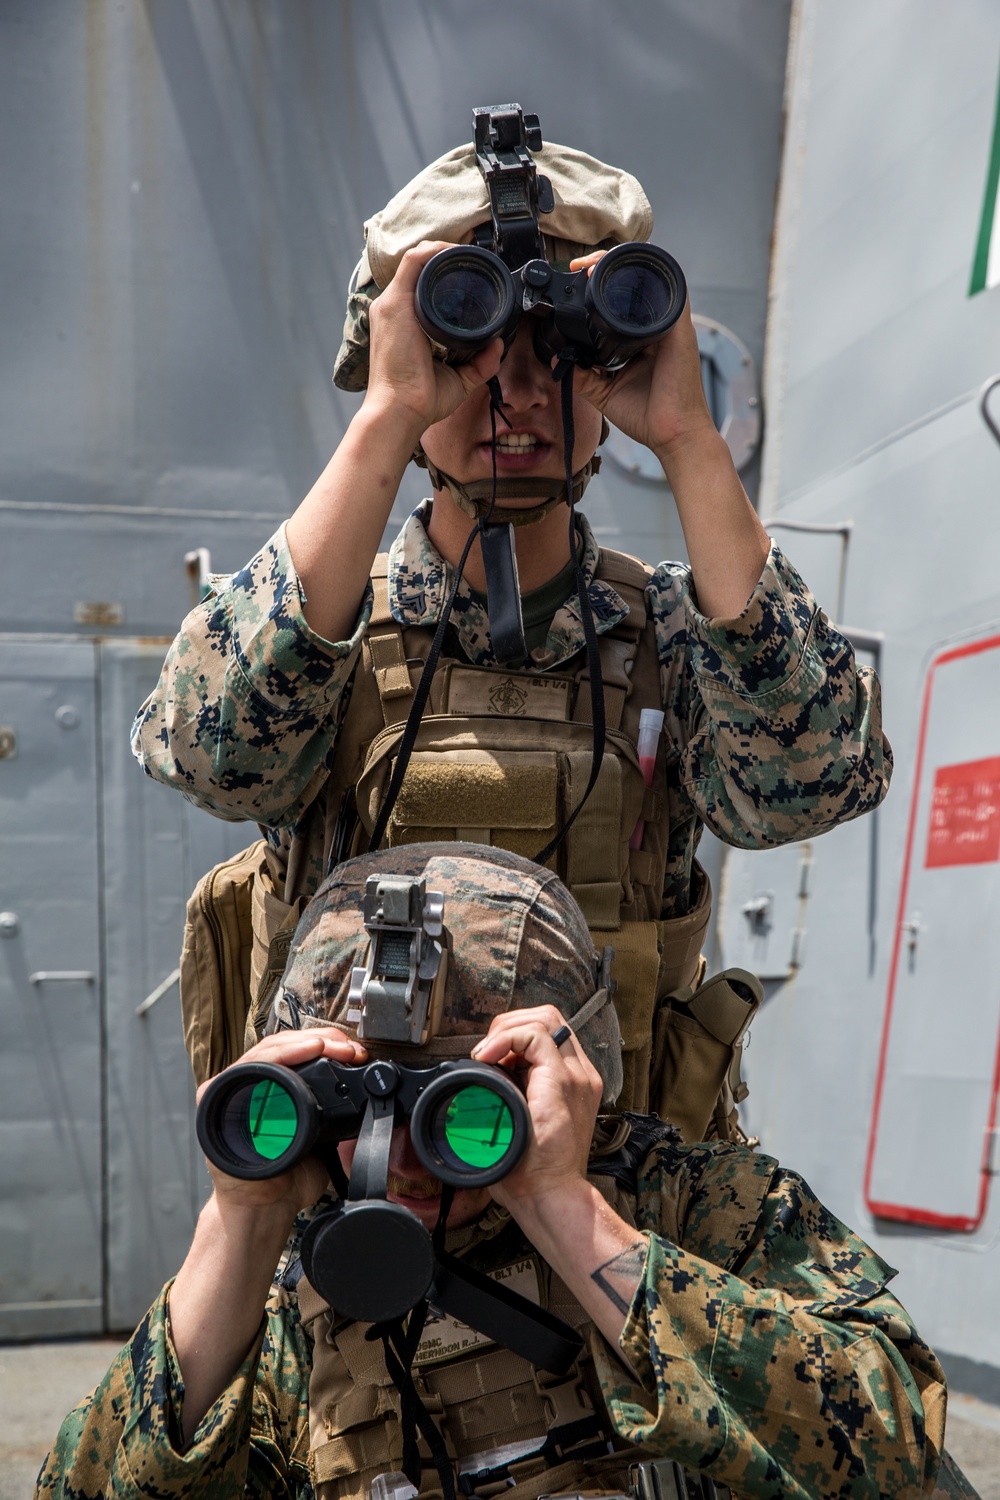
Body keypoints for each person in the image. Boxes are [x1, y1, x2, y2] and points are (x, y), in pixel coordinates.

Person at [131, 117, 891, 1127]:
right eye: (471, 345)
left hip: (611, 1197)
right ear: (399, 346)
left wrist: (689, 439)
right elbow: (211, 762)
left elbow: (810, 790)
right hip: (359, 1174)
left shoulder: (675, 630)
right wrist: (389, 413)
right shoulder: (324, 622)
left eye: (562, 351)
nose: (520, 396)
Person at [36, 844, 972, 1500]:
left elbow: (888, 1450)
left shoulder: (696, 1207)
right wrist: (237, 1224)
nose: (397, 1154)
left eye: (458, 1107)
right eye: (357, 1103)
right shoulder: (286, 1292)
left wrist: (558, 1201)